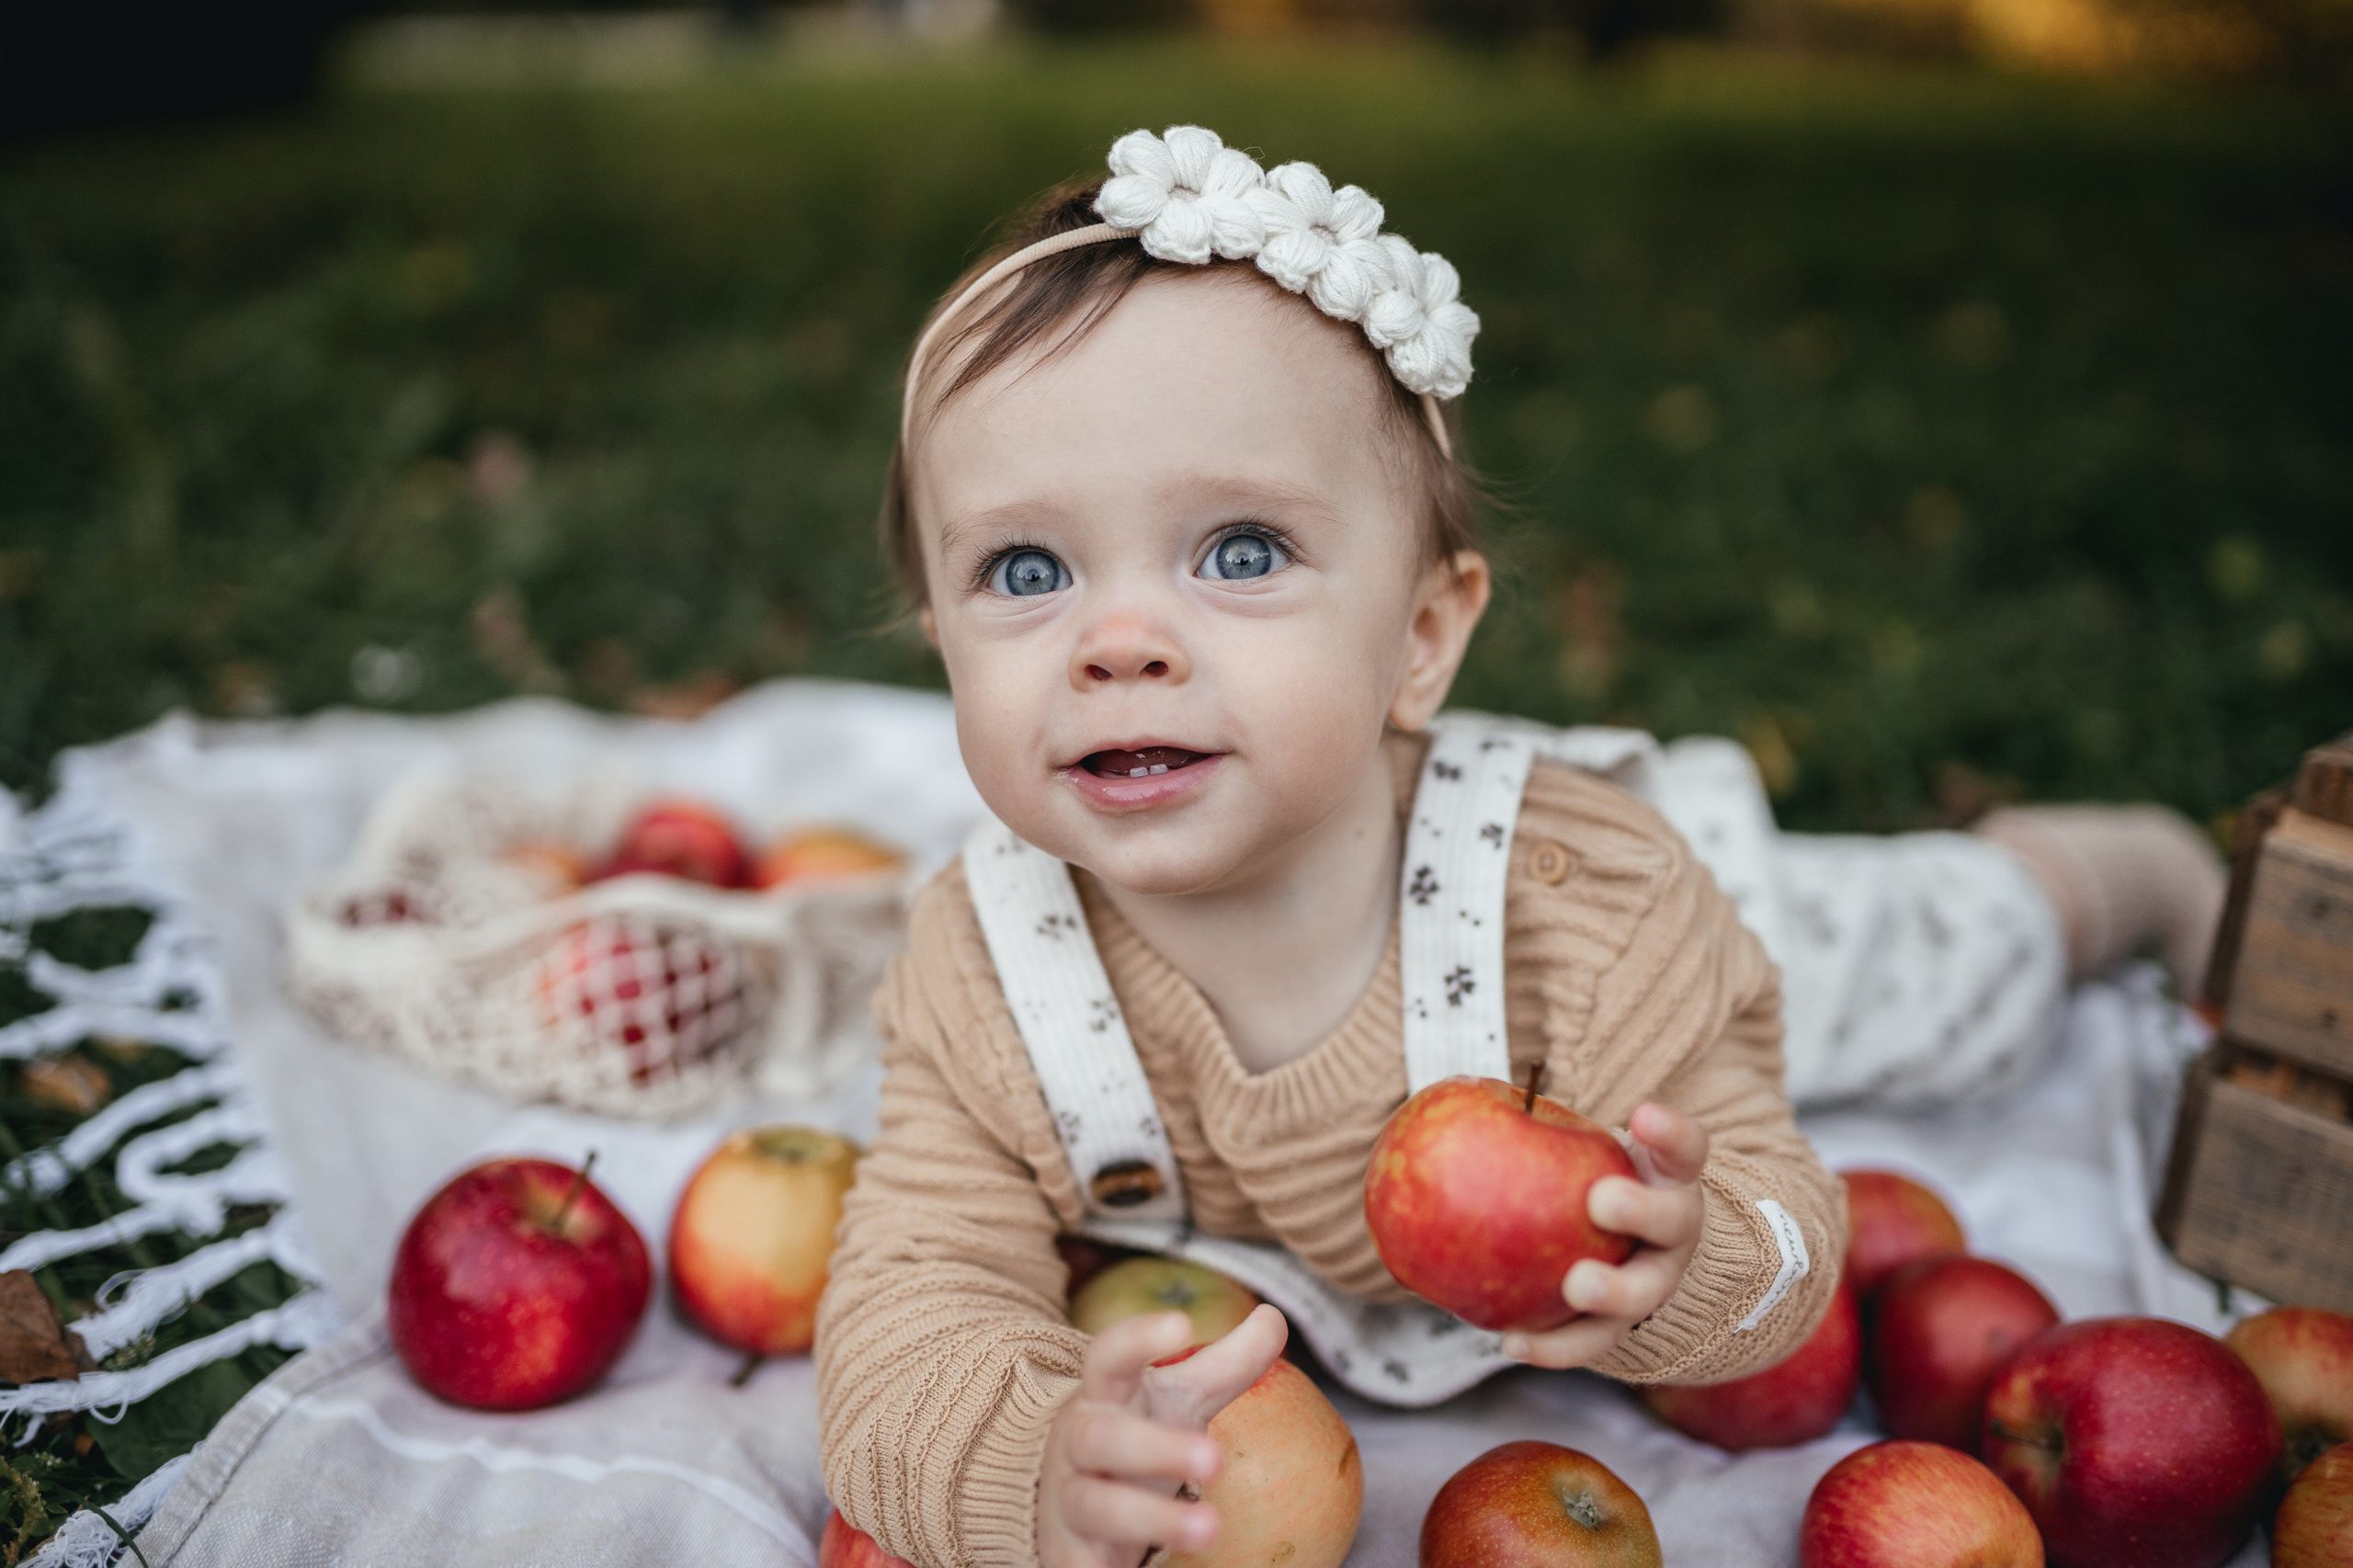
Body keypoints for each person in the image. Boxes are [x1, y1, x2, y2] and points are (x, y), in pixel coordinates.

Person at [813, 127, 2223, 1568]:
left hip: (1669, 945)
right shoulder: (985, 976)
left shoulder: (1594, 913)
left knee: (1952, 965)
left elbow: (1780, 1222)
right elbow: (910, 1297)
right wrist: (1028, 1466)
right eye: (1026, 570)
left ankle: (2122, 869)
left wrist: (1694, 1253)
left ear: (1422, 638)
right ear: (940, 636)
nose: (1118, 643)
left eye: (1238, 552)